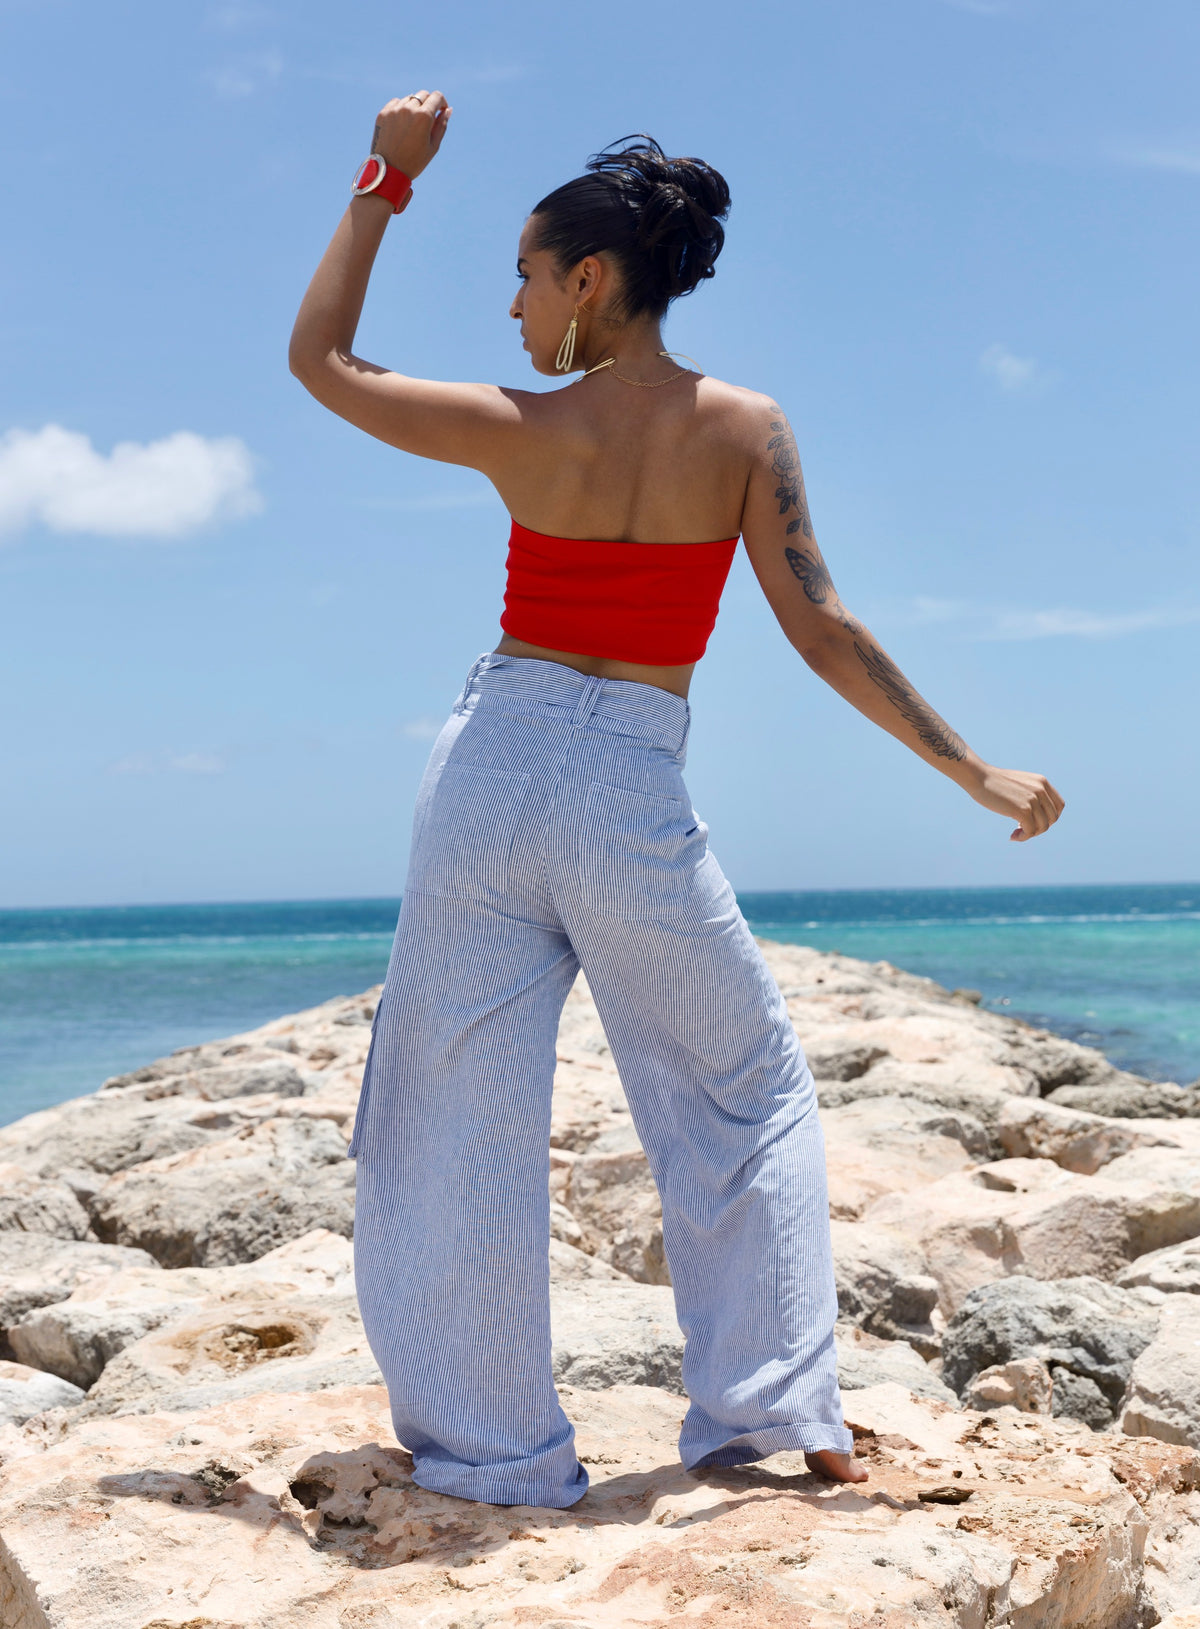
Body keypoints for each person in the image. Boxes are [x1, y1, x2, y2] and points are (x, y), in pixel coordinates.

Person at [289, 90, 1064, 1510]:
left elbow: (322, 360)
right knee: (739, 1084)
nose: (513, 304)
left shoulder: (520, 424)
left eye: (527, 275)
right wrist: (969, 767)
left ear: (593, 280)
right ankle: (775, 1412)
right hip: (629, 781)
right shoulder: (741, 429)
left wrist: (383, 183)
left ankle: (493, 1457)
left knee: (445, 1111)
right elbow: (821, 627)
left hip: (489, 774)